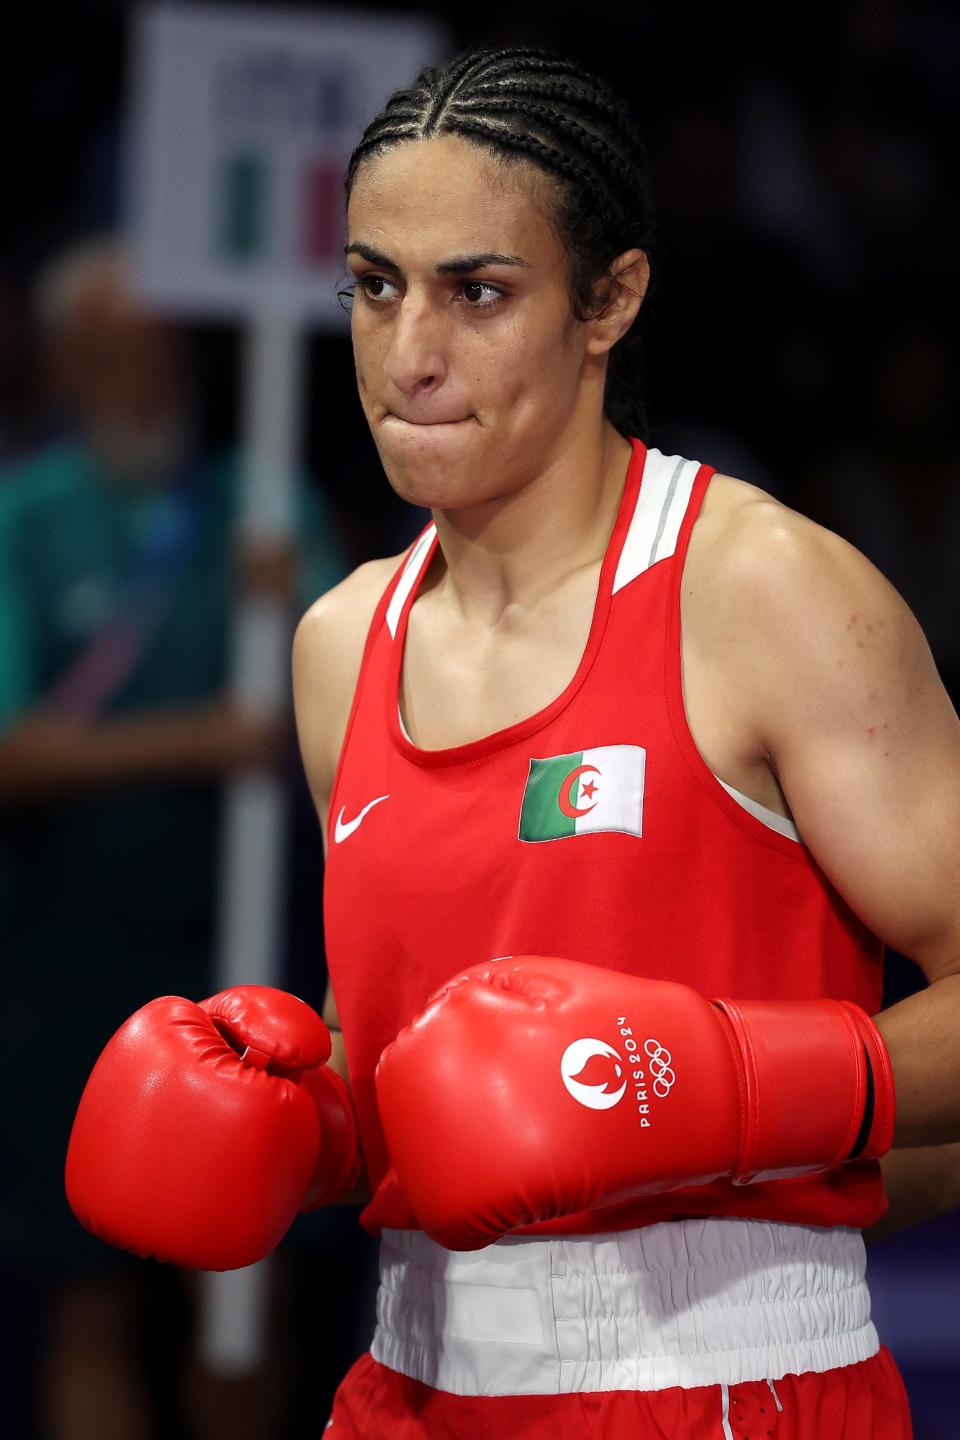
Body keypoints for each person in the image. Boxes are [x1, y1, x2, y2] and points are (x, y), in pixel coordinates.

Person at [66, 45, 960, 1439]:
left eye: (478, 292)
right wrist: (319, 1134)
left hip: (729, 1389)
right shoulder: (340, 644)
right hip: (404, 1385)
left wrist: (718, 1091)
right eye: (373, 287)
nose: (411, 354)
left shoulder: (763, 593)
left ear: (611, 299)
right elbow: (456, 1077)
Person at [0, 236, 348, 1439]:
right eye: (111, 353)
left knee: (249, 1290)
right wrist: (204, 739)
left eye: (161, 350)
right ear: (63, 366)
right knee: (86, 1299)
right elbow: (12, 752)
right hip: (70, 954)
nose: (142, 375)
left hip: (250, 946)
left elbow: (356, 724)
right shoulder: (25, 519)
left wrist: (292, 595)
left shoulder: (264, 503)